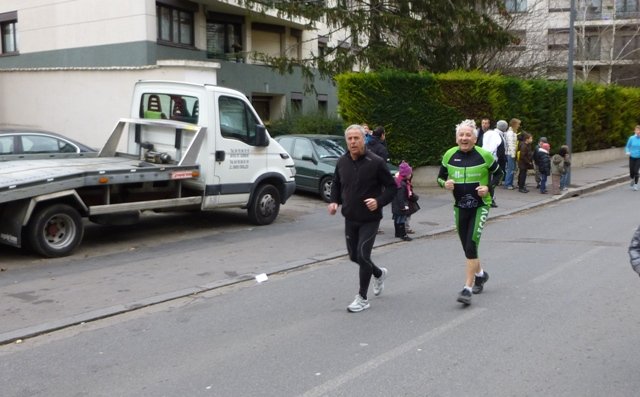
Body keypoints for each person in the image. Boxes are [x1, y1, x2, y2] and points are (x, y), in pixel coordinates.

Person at [328, 124, 397, 313]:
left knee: (363, 255)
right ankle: (378, 273)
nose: (352, 142)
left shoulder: (375, 162)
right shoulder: (342, 162)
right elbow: (336, 183)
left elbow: (392, 187)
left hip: (370, 218)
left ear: (363, 139)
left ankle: (362, 298)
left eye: (356, 138)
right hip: (350, 217)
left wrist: (379, 201)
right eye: (349, 139)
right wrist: (334, 201)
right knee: (354, 257)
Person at [437, 119, 504, 305]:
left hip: (480, 206)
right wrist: (445, 184)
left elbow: (500, 173)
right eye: (461, 135)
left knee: (471, 244)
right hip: (459, 207)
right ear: (456, 138)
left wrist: (488, 188)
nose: (464, 138)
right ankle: (481, 275)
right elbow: (440, 177)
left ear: (475, 139)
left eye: (468, 135)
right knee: (467, 246)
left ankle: (467, 288)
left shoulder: (484, 156)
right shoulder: (449, 155)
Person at [482, 119, 507, 207]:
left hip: (483, 159)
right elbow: (501, 151)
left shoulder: (488, 133)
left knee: (487, 179)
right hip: (492, 160)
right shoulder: (499, 136)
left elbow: (480, 144)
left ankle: (489, 198)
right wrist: (502, 161)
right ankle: (490, 197)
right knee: (497, 176)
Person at [392, 161, 418, 241]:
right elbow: (400, 197)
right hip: (400, 205)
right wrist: (403, 206)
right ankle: (403, 235)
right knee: (401, 220)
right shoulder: (402, 184)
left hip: (396, 205)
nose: (411, 175)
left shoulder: (399, 181)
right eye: (409, 174)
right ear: (406, 174)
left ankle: (397, 233)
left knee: (397, 219)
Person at [503, 118, 519, 190]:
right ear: (514, 124)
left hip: (511, 153)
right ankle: (508, 184)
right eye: (518, 124)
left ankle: (510, 183)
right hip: (510, 153)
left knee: (512, 169)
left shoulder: (512, 132)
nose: (519, 125)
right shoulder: (510, 133)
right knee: (510, 169)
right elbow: (511, 144)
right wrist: (513, 154)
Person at [625, 125, 640, 191]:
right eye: (637, 130)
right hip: (632, 157)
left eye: (639, 131)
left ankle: (636, 185)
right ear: (635, 131)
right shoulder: (631, 138)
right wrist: (627, 151)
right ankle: (632, 178)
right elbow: (627, 146)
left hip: (639, 157)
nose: (638, 132)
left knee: (636, 171)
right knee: (631, 171)